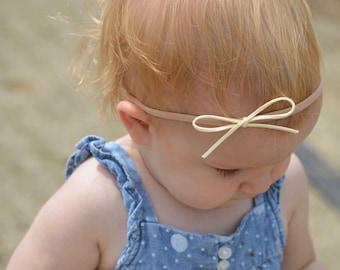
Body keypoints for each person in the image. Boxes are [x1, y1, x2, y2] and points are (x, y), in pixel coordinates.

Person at [6, 0, 326, 269]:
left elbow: (300, 263)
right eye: (229, 170)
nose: (263, 182)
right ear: (141, 125)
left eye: (283, 153)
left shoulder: (284, 185)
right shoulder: (96, 205)